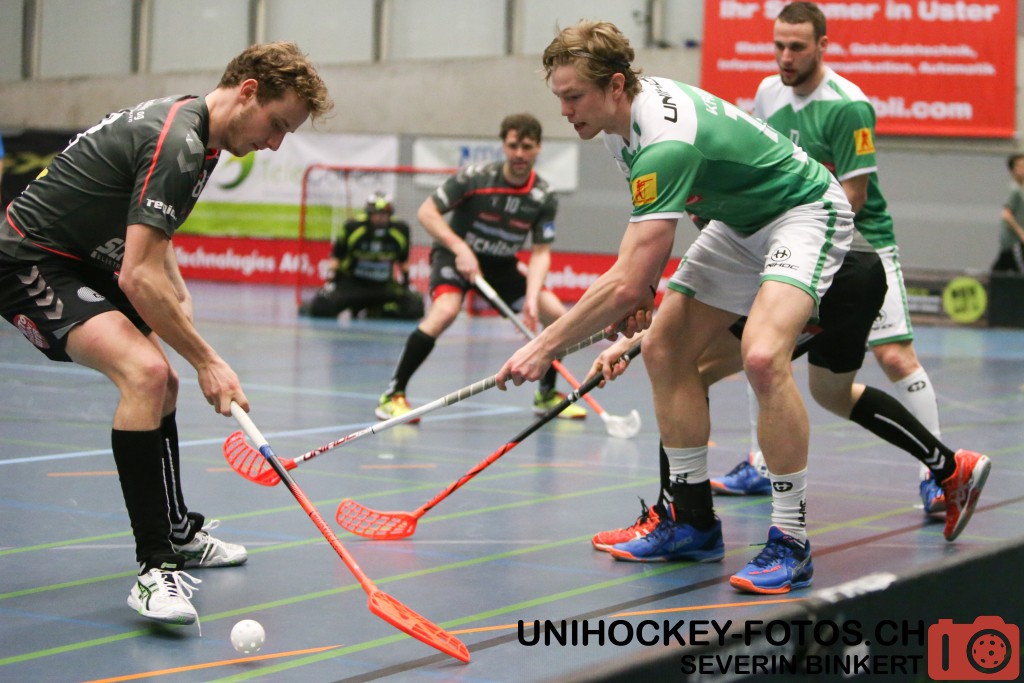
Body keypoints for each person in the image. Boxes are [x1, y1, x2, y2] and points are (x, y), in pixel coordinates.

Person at [497, 19, 857, 595]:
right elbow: (647, 250)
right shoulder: (619, 128)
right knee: (663, 348)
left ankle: (791, 541)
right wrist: (642, 293)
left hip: (802, 210)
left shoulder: (663, 140)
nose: (564, 111)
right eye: (559, 97)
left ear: (615, 85)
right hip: (737, 223)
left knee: (762, 357)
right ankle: (690, 522)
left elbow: (626, 278)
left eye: (574, 97)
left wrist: (543, 347)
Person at [0, 42, 332, 626]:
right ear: (248, 91)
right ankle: (154, 570)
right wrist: (209, 360)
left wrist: (175, 287)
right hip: (31, 260)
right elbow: (136, 275)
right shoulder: (177, 139)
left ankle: (177, 531)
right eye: (277, 125)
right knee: (147, 373)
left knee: (165, 385)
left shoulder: (201, 133)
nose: (276, 143)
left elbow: (150, 226)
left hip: (86, 259)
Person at [590, 234, 991, 558]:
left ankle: (683, 518)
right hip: (857, 267)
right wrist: (639, 339)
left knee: (685, 366)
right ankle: (951, 467)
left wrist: (642, 338)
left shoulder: (708, 185)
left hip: (827, 273)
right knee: (833, 392)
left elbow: (710, 291)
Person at [715, 2, 947, 513]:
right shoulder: (768, 93)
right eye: (778, 45)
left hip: (862, 246)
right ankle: (761, 463)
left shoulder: (848, 106)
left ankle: (938, 474)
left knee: (894, 356)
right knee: (761, 346)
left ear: (822, 45)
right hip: (794, 241)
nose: (785, 56)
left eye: (797, 47)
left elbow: (854, 197)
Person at [376, 113, 585, 422]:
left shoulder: (544, 196)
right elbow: (427, 212)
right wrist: (460, 248)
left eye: (527, 147)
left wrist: (531, 297)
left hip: (502, 265)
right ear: (503, 145)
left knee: (555, 315)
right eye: (513, 146)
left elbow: (541, 253)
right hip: (456, 257)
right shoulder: (475, 178)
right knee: (445, 311)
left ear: (538, 148)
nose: (519, 154)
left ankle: (545, 394)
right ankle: (393, 395)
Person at [299, 191, 424, 320]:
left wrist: (407, 284)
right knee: (322, 307)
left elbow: (403, 261)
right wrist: (331, 282)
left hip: (383, 285)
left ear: (390, 214)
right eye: (376, 214)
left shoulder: (400, 230)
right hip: (352, 284)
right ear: (369, 214)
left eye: (383, 214)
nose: (380, 218)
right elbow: (337, 257)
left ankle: (375, 310)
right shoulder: (353, 227)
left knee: (415, 307)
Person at [991, 153, 1024, 273]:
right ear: (1013, 170)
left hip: (1013, 243)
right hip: (1014, 241)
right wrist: (1021, 234)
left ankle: (993, 281)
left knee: (1000, 268)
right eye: (1021, 166)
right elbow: (1006, 215)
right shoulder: (1014, 190)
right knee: (1020, 270)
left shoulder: (1020, 189)